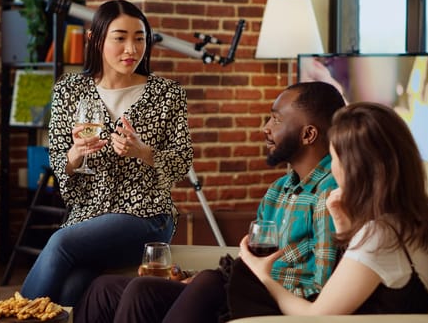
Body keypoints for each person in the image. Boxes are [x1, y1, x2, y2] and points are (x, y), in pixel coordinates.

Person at [73, 81, 346, 323]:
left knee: (150, 289)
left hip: (269, 301)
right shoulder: (278, 190)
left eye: (275, 120)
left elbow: (321, 288)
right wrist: (200, 276)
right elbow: (251, 259)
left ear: (308, 135)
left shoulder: (329, 194)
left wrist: (243, 281)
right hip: (243, 287)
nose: (265, 128)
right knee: (103, 289)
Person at [19, 0, 193, 306]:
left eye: (140, 38)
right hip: (87, 216)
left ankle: (9, 315)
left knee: (60, 242)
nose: (131, 49)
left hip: (147, 214)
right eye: (120, 38)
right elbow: (58, 158)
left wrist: (144, 152)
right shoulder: (68, 90)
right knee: (72, 287)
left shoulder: (167, 94)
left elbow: (181, 162)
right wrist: (74, 155)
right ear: (95, 39)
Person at [239, 101, 428, 315]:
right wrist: (343, 225)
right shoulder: (421, 214)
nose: (332, 168)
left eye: (333, 158)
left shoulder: (381, 234)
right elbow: (367, 274)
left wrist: (263, 277)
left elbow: (316, 316)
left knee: (234, 281)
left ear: (355, 169)